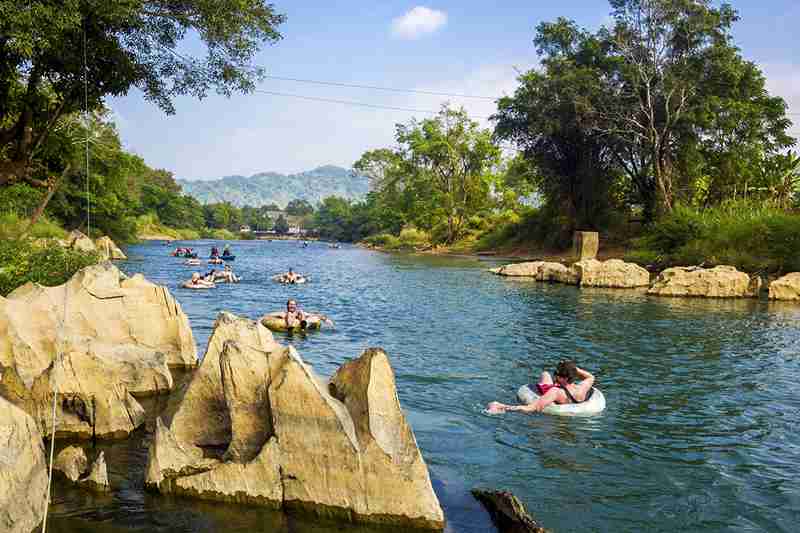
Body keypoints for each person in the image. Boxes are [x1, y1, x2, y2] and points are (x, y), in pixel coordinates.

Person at [487, 360, 595, 414]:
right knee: (547, 375)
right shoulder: (582, 388)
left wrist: (501, 406)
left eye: (557, 374)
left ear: (564, 378)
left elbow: (532, 408)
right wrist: (573, 369)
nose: (555, 375)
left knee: (545, 374)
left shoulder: (555, 392)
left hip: (556, 392)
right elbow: (590, 376)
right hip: (568, 391)